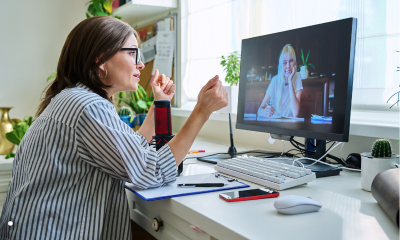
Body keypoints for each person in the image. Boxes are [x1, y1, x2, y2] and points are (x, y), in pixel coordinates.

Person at [0, 16, 227, 240]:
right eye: (132, 53)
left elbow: (131, 149)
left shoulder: (73, 98)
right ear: (100, 60)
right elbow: (151, 170)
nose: (141, 63)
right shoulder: (87, 106)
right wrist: (201, 112)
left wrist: (161, 104)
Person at [259, 44, 303, 118]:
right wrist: (265, 112)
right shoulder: (275, 80)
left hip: (291, 126)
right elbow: (259, 110)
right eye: (285, 62)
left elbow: (295, 113)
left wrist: (290, 80)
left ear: (295, 63)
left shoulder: (297, 76)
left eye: (291, 61)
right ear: (281, 65)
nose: (288, 66)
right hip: (276, 124)